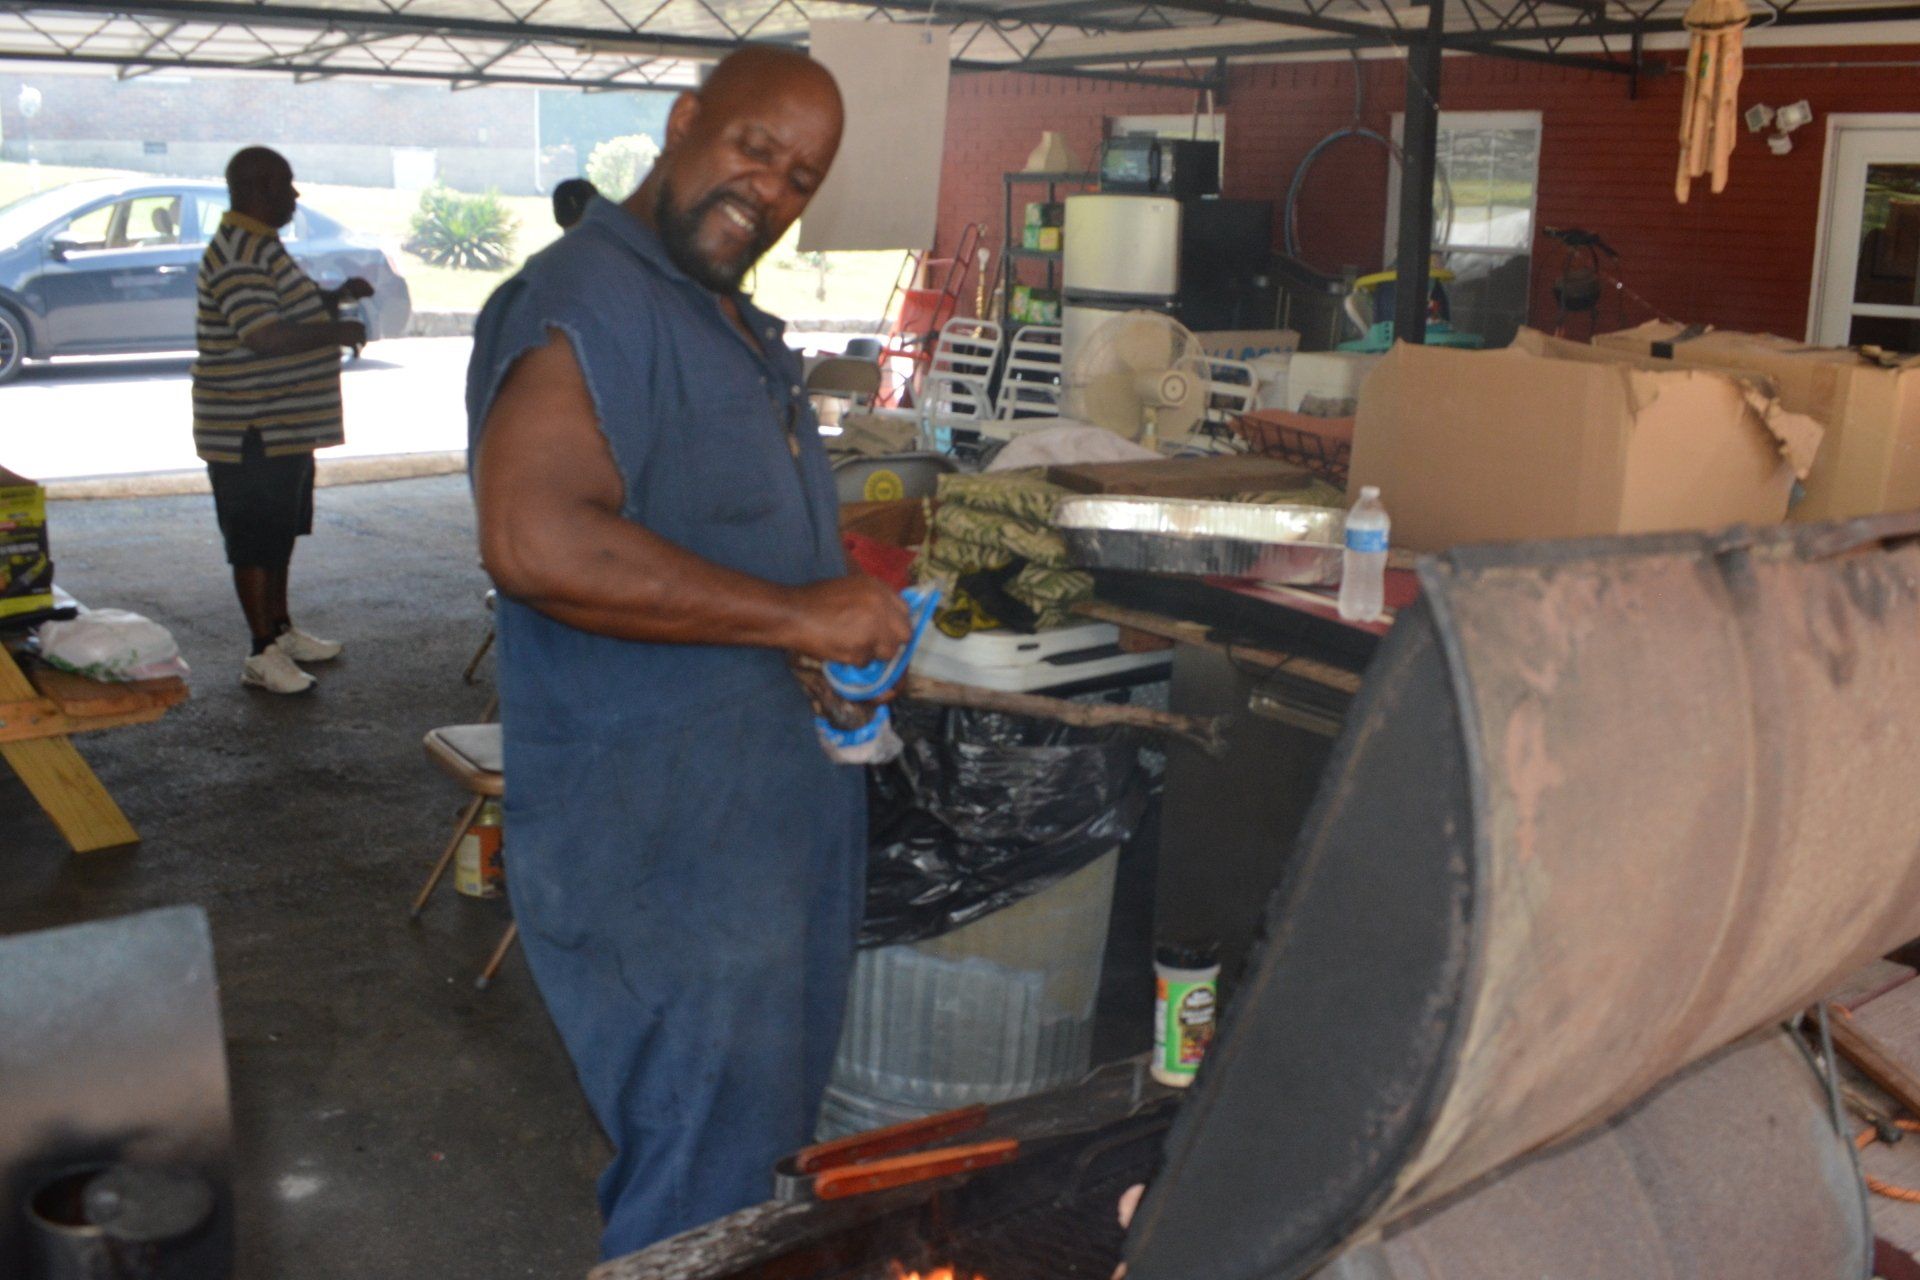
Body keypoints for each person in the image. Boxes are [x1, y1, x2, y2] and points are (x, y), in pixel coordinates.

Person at [466, 48, 911, 1260]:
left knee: (749, 1171)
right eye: (755, 148)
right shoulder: (589, 297)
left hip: (755, 840)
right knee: (702, 1190)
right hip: (663, 852)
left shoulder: (716, 315)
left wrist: (807, 638)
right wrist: (796, 615)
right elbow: (536, 538)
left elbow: (714, 550)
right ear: (682, 121)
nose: (770, 189)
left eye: (801, 178)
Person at [193, 146, 371, 694]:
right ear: (258, 188)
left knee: (279, 533)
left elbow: (286, 311)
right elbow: (264, 335)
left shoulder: (262, 245)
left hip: (283, 425)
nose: (295, 195)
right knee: (254, 540)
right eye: (286, 185)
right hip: (251, 427)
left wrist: (335, 299)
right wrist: (339, 331)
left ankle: (280, 629)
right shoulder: (238, 251)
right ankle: (260, 651)